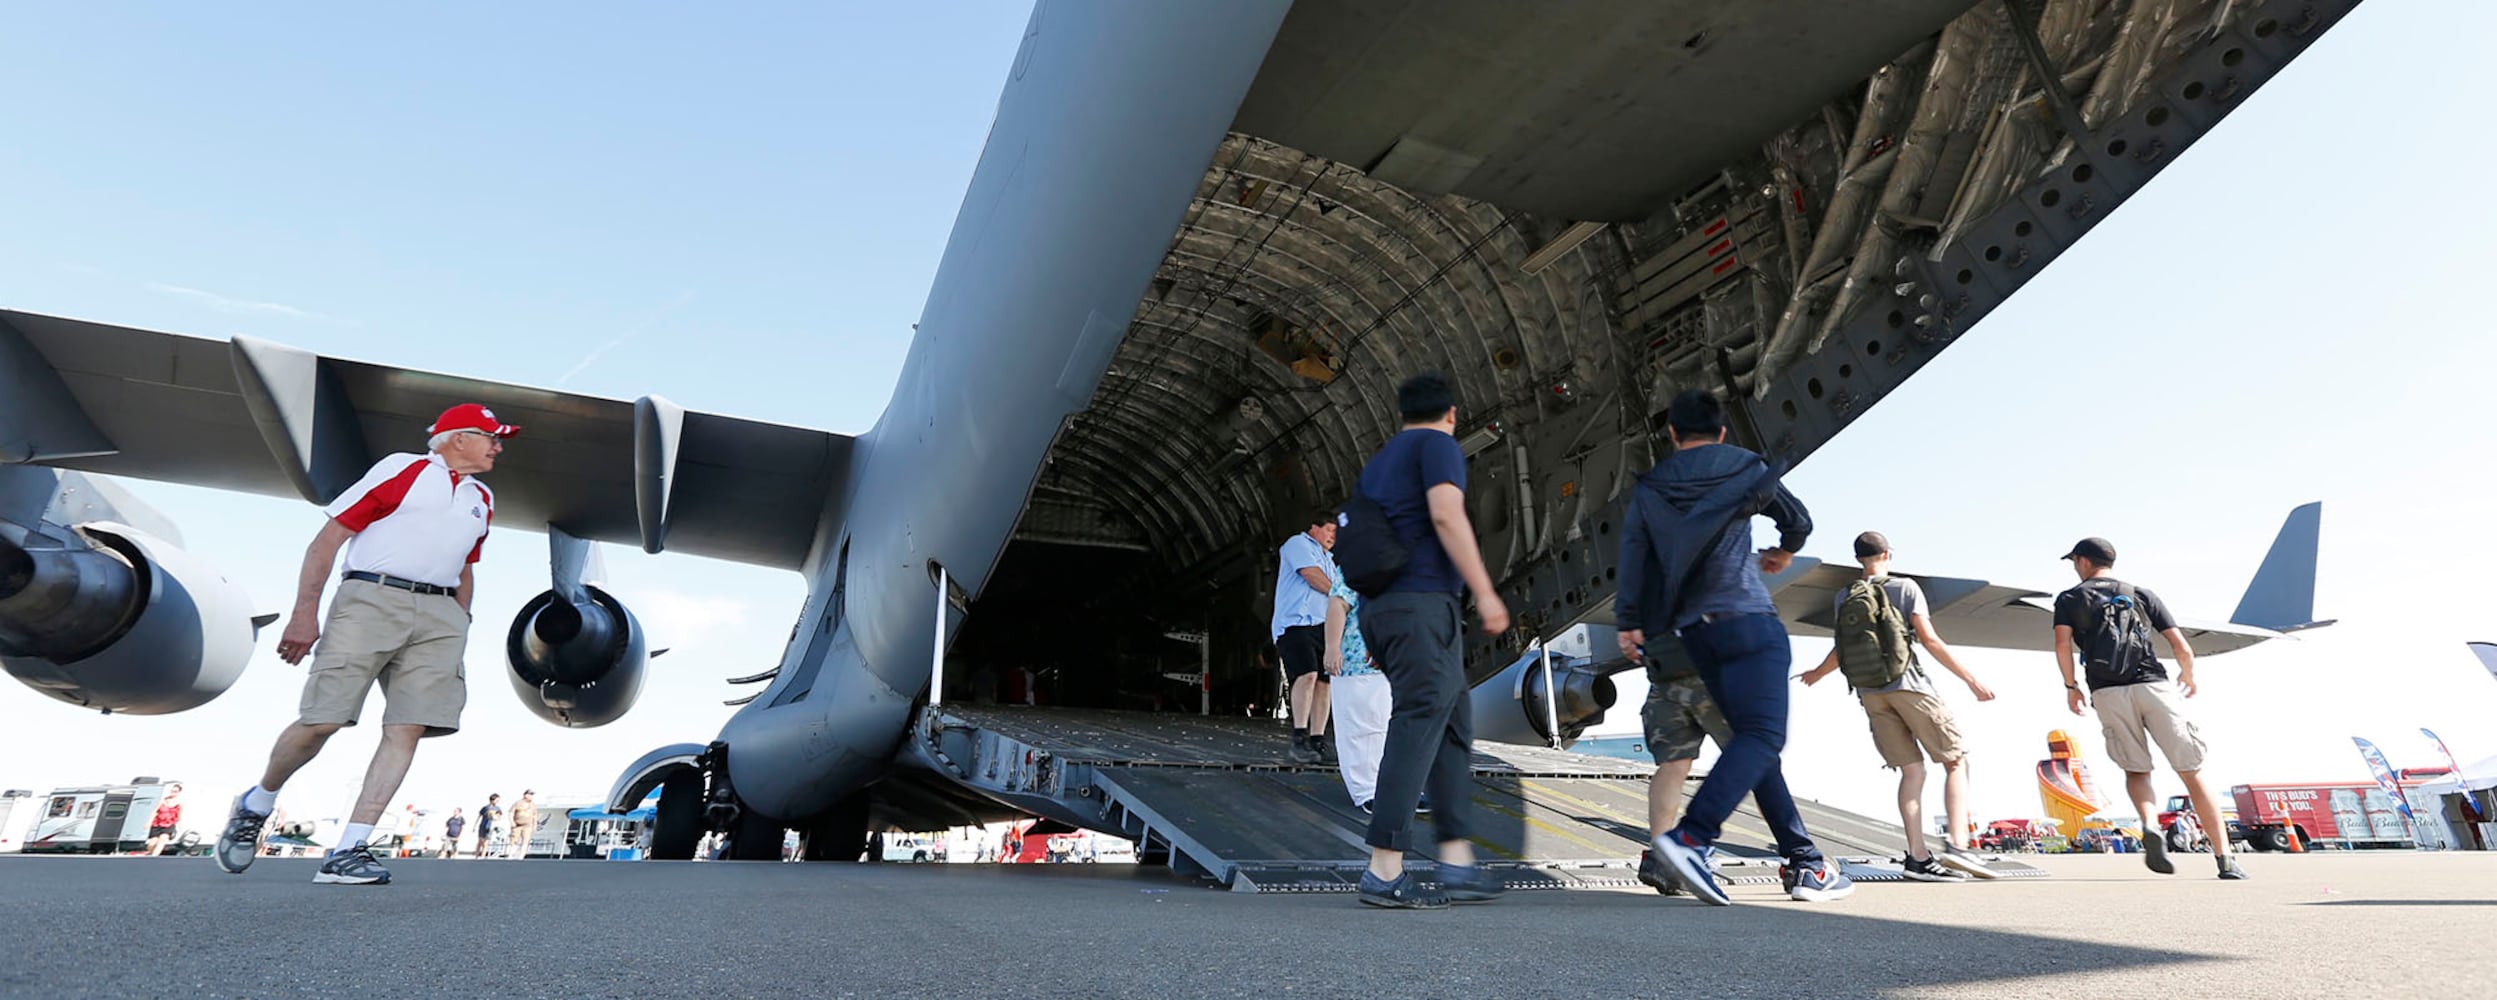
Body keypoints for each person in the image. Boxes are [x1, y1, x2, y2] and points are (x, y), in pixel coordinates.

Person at [213, 404, 516, 886]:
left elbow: (466, 566)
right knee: (323, 720)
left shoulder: (483, 497)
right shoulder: (403, 469)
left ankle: (349, 848)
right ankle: (258, 802)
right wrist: (303, 613)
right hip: (371, 597)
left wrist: (461, 618)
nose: (499, 446)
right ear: (459, 439)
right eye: (492, 438)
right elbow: (329, 538)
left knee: (407, 727)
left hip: (440, 615)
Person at [1618, 389, 1850, 906]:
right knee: (1764, 738)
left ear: (1672, 434)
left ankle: (1800, 863)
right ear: (1721, 431)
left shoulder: (1654, 486)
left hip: (1694, 633)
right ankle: (1692, 838)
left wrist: (1629, 623)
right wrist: (1784, 552)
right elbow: (1798, 520)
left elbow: (1633, 556)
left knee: (1749, 742)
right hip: (1746, 620)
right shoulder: (1743, 464)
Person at [1345, 372, 1511, 909]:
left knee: (1453, 723)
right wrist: (1485, 592)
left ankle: (1457, 861)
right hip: (1420, 603)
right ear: (1453, 414)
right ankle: (1384, 868)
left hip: (1385, 609)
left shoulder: (1381, 460)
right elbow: (1445, 513)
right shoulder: (1436, 445)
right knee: (1420, 718)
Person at [1800, 531, 1999, 882]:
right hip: (1908, 685)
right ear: (1888, 554)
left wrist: (1817, 673)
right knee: (1955, 760)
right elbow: (1930, 640)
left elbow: (1841, 649)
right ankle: (1958, 845)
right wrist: (1971, 680)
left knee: (1912, 771)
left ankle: (1918, 857)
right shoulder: (1905, 588)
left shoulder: (1844, 595)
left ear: (1858, 558)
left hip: (1869, 692)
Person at [2052, 537, 2246, 881]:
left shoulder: (2069, 599)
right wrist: (2187, 673)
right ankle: (2226, 859)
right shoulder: (2142, 594)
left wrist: (2071, 687)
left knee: (2137, 771)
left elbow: (2062, 643)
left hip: (2108, 691)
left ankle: (2150, 823)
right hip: (2154, 685)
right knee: (2192, 770)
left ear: (2083, 561)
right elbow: (2180, 645)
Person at [1626, 637, 1732, 897]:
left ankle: (1661, 858)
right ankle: (1798, 860)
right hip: (1714, 676)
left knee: (1673, 766)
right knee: (1754, 758)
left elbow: (1629, 641)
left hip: (1665, 680)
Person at [1271, 515, 1339, 764]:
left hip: (1322, 626)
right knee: (1307, 674)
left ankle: (1317, 740)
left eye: (1335, 532)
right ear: (1313, 527)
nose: (1332, 536)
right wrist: (1339, 594)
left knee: (1324, 682)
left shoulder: (1330, 561)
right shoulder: (1297, 544)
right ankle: (1299, 738)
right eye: (1329, 529)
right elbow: (1310, 575)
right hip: (1296, 622)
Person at [1321, 569, 1389, 810]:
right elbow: (1338, 603)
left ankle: (1398, 788)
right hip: (1357, 660)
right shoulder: (1358, 559)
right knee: (1360, 729)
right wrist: (1332, 647)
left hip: (1395, 661)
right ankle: (1366, 790)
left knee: (1390, 728)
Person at [147, 783, 184, 856]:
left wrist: (179, 826)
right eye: (172, 791)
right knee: (152, 844)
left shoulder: (180, 803)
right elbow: (154, 811)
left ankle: (154, 857)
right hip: (157, 823)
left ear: (179, 792)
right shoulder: (163, 800)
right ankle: (150, 854)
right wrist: (149, 822)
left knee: (162, 840)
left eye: (175, 791)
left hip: (169, 824)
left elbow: (179, 816)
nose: (173, 793)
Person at [510, 790, 539, 859]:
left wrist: (535, 825)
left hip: (527, 825)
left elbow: (535, 815)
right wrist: (512, 822)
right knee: (514, 840)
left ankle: (521, 856)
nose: (531, 796)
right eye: (530, 794)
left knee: (525, 840)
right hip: (517, 825)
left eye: (532, 795)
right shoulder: (518, 803)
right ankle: (511, 855)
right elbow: (511, 812)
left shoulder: (533, 805)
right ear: (525, 795)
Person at [476, 793, 504, 859]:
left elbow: (499, 817)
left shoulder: (498, 808)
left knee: (486, 842)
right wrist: (475, 826)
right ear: (492, 800)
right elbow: (479, 816)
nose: (497, 802)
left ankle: (483, 856)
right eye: (496, 800)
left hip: (490, 827)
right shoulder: (486, 807)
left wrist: (496, 818)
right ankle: (476, 855)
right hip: (483, 825)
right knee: (480, 841)